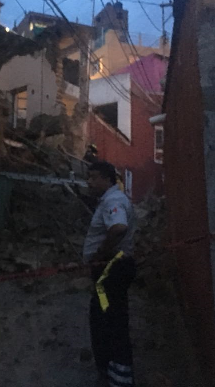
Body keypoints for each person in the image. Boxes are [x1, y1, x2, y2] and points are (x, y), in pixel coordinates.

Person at [83, 161, 137, 387]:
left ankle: (118, 378)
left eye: (94, 177)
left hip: (111, 272)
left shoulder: (113, 201)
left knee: (110, 323)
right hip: (110, 272)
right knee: (104, 319)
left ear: (107, 179)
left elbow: (118, 228)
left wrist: (100, 254)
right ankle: (110, 371)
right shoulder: (111, 199)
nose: (89, 182)